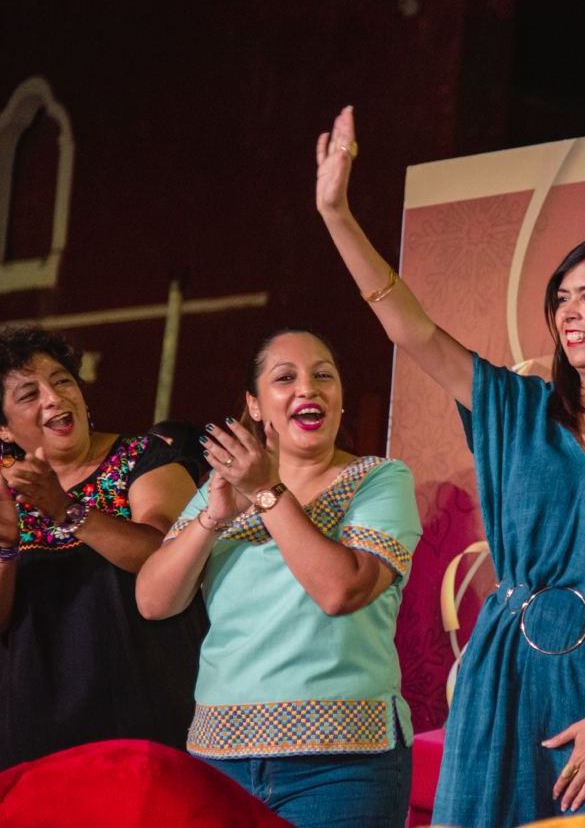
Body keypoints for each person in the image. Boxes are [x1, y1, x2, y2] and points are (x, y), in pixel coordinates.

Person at [314, 106, 585, 826]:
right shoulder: (516, 409)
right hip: (507, 673)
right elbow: (407, 324)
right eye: (560, 300)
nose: (567, 313)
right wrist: (337, 214)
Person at [135, 328, 422, 828]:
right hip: (220, 758)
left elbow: (340, 590)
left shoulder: (378, 478)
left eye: (323, 376)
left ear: (339, 399)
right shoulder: (218, 492)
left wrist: (267, 491)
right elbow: (154, 601)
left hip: (342, 764)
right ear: (256, 404)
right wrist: (213, 517)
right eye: (285, 378)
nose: (307, 389)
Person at [0, 326, 204, 769]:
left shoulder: (144, 457)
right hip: (34, 744)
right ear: (4, 429)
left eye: (61, 380)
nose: (53, 398)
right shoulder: (3, 497)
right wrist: (4, 546)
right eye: (28, 394)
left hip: (148, 730)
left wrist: (64, 509)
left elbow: (165, 553)